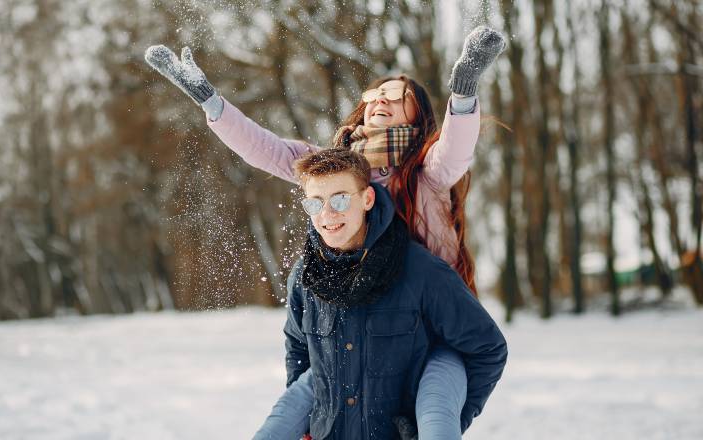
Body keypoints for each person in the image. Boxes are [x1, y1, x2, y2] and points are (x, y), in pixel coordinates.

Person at [145, 25, 506, 438]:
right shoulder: (335, 169)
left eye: (395, 94)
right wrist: (212, 103)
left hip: (431, 322)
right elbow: (268, 149)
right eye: (374, 94)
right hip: (362, 320)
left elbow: (456, 148)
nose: (380, 100)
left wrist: (463, 92)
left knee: (436, 417)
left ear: (417, 113)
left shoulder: (426, 171)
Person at [278, 148, 506, 439]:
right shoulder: (305, 277)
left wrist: (445, 423)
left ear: (367, 199)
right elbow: (299, 353)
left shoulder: (420, 270)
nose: (327, 214)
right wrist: (307, 424)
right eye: (315, 203)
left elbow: (487, 348)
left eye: (340, 199)